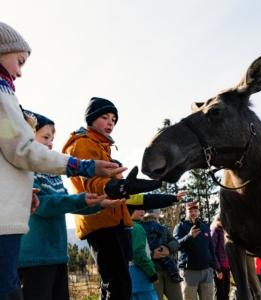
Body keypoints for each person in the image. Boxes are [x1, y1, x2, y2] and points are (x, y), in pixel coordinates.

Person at [0, 21, 136, 300]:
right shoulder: (3, 97)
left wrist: (93, 203)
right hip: (29, 251)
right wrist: (85, 168)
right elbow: (21, 150)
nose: (20, 72)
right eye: (19, 61)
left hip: (54, 250)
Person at [17, 111, 126, 300]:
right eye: (45, 137)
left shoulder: (52, 174)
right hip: (34, 258)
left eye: (52, 138)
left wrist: (100, 204)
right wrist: (81, 199)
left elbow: (67, 204)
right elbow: (43, 205)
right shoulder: (26, 171)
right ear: (28, 137)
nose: (50, 143)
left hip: (58, 255)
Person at [62, 97, 163, 300]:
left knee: (116, 285)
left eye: (114, 119)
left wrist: (124, 188)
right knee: (118, 287)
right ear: (90, 119)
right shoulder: (82, 144)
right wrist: (116, 186)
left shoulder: (102, 147)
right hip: (99, 221)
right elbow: (90, 181)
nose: (111, 123)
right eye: (105, 117)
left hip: (114, 220)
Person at [173, 202, 216, 300]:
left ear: (199, 212)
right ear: (186, 212)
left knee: (208, 298)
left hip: (206, 270)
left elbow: (210, 246)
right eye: (190, 211)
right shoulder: (180, 227)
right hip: (189, 271)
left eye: (195, 211)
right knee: (189, 298)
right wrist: (190, 236)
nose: (193, 213)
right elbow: (176, 245)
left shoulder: (204, 227)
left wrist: (213, 265)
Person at [144, 209, 184, 300]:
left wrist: (168, 248)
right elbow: (137, 251)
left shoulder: (163, 229)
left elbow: (176, 242)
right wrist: (152, 254)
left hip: (169, 271)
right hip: (153, 271)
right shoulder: (140, 230)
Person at [129, 209, 159, 300]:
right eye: (138, 209)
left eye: (143, 209)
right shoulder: (136, 227)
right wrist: (152, 274)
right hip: (140, 276)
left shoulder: (122, 227)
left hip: (128, 277)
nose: (143, 212)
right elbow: (138, 254)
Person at [210, 214, 230, 300]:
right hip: (219, 267)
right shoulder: (215, 231)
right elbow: (212, 251)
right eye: (220, 220)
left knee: (226, 292)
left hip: (226, 267)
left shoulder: (225, 231)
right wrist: (217, 270)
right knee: (219, 293)